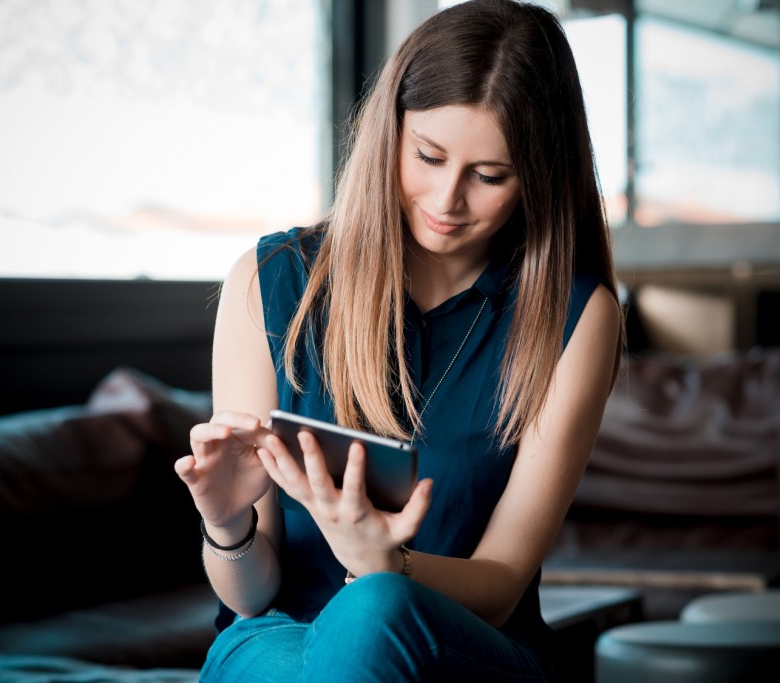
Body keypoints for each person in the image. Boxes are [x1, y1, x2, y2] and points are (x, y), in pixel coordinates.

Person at [174, 0, 623, 680]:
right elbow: (249, 594)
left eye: (490, 175)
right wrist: (227, 521)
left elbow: (499, 586)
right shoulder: (268, 282)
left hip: (460, 643)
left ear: (538, 176)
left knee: (374, 610)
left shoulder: (575, 315)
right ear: (391, 132)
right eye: (429, 157)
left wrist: (389, 564)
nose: (447, 199)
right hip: (280, 637)